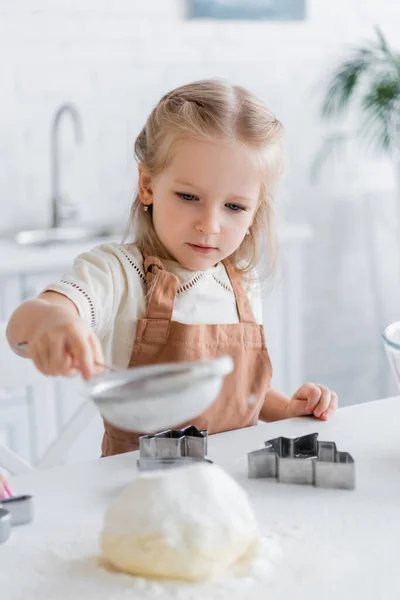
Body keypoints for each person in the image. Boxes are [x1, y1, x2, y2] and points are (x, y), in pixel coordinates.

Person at [6, 79, 338, 457]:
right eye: (188, 197)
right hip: (141, 498)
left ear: (255, 211)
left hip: (231, 493)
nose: (210, 224)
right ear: (147, 185)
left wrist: (287, 409)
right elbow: (25, 323)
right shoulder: (117, 273)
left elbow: (237, 397)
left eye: (234, 207)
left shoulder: (241, 285)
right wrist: (51, 322)